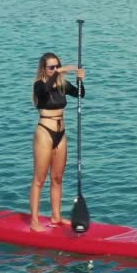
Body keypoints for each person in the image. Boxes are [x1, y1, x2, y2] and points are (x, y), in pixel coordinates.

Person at [30, 53, 85, 230]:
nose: (55, 70)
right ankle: (34, 221)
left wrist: (80, 80)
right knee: (40, 179)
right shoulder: (39, 85)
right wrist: (60, 71)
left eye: (57, 66)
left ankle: (56, 217)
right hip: (45, 132)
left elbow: (80, 94)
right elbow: (44, 90)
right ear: (44, 69)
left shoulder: (62, 85)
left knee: (58, 178)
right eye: (51, 67)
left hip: (61, 132)